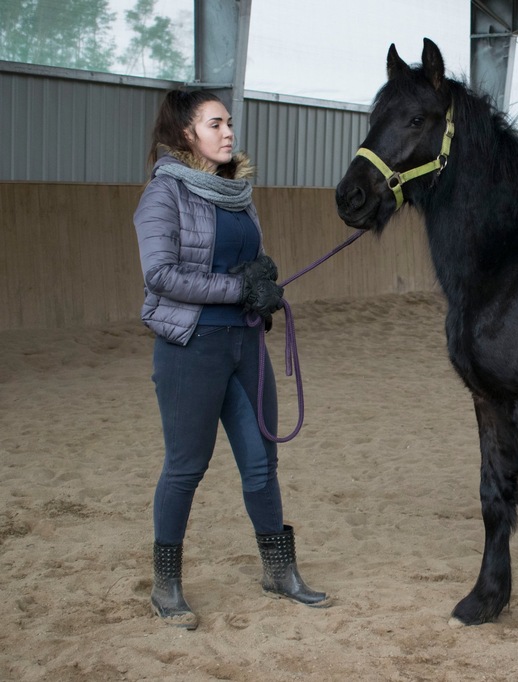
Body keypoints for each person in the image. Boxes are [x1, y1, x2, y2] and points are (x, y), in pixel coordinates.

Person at [134, 89, 331, 630]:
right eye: (215, 123)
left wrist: (262, 282)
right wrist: (236, 289)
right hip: (190, 349)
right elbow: (161, 275)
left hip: (247, 348)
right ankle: (167, 584)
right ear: (185, 133)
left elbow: (246, 263)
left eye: (229, 123)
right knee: (186, 467)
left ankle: (279, 571)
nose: (228, 132)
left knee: (261, 464)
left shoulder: (236, 194)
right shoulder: (163, 195)